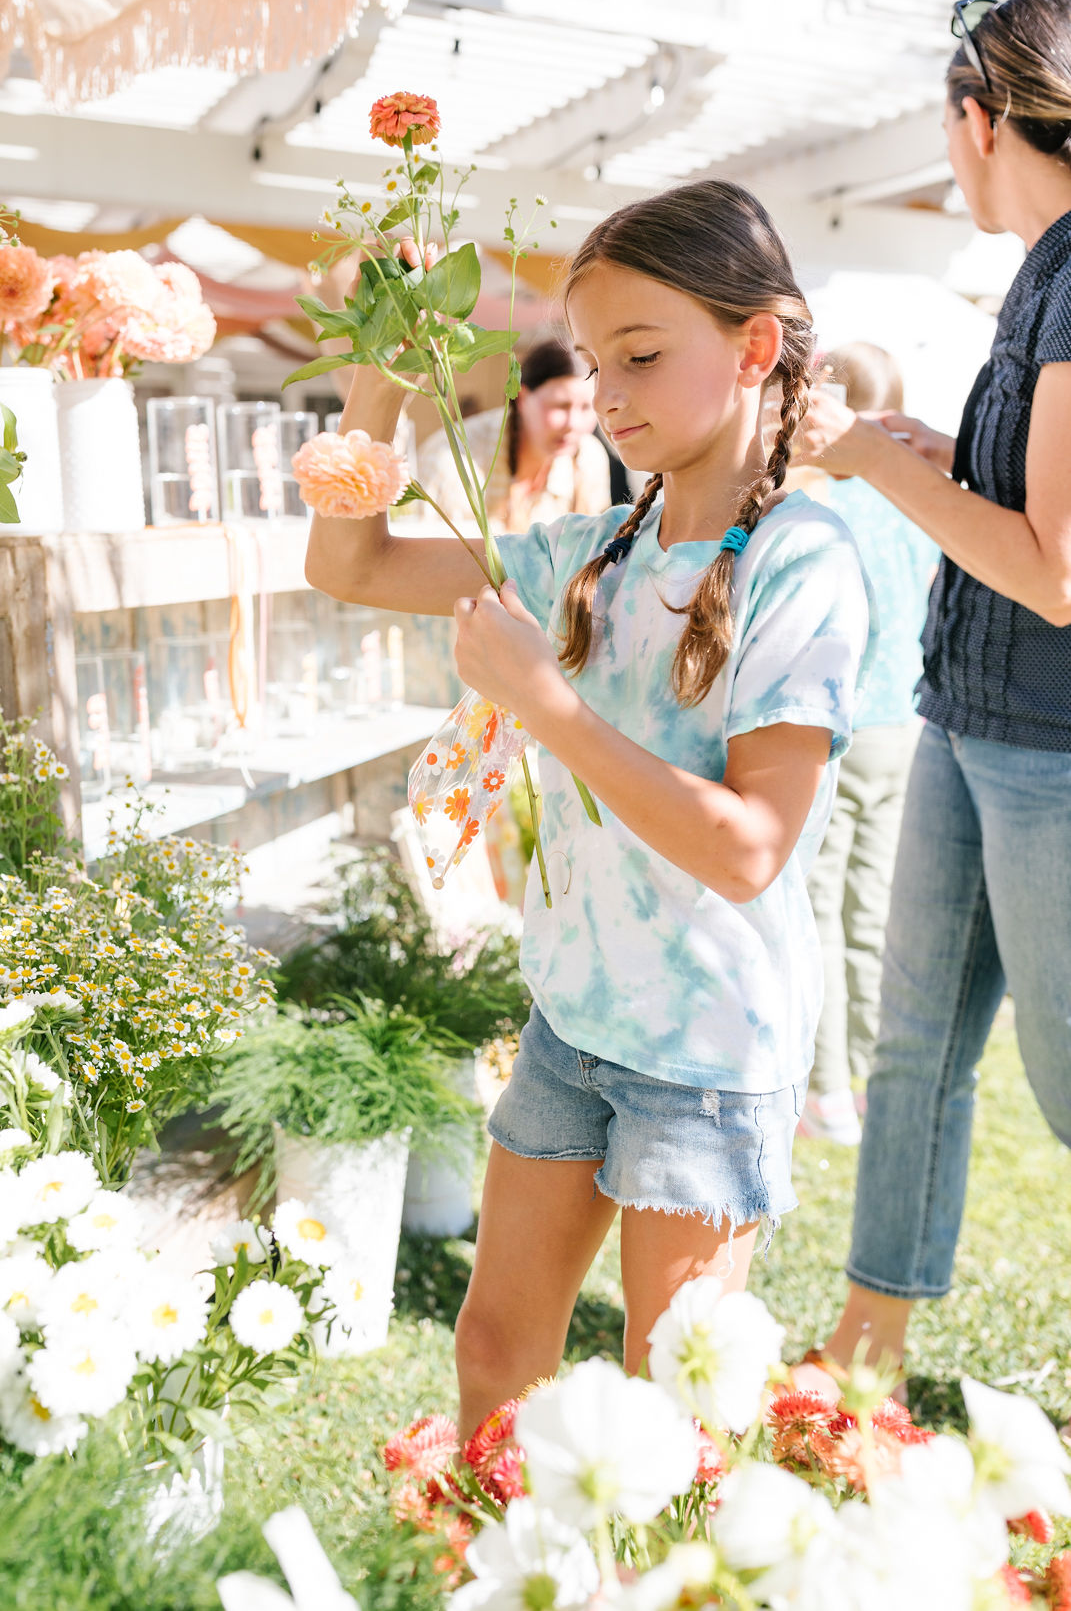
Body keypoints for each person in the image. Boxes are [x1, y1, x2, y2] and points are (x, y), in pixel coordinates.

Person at [306, 180, 875, 1434]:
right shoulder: (583, 552)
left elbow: (750, 851)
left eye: (643, 355)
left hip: (709, 1058)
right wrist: (386, 368)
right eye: (595, 359)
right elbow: (344, 561)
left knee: (672, 1408)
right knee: (496, 1348)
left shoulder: (805, 562)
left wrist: (548, 704)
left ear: (755, 347)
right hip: (575, 1017)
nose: (608, 394)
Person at [791, 0, 1071, 1395]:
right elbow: (1028, 491)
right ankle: (863, 1350)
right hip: (964, 718)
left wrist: (872, 458)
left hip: (1046, 747)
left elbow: (1055, 566)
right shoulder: (1036, 268)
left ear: (976, 122)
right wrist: (936, 445)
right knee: (910, 1048)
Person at [795, 344, 938, 1145]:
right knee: (871, 913)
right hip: (903, 728)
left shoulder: (824, 509)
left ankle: (825, 1091)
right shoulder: (918, 503)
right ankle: (873, 1082)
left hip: (842, 727)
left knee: (818, 908)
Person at [415, 337, 617, 532]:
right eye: (560, 407)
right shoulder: (453, 459)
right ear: (522, 398)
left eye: (586, 407)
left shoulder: (590, 457)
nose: (573, 424)